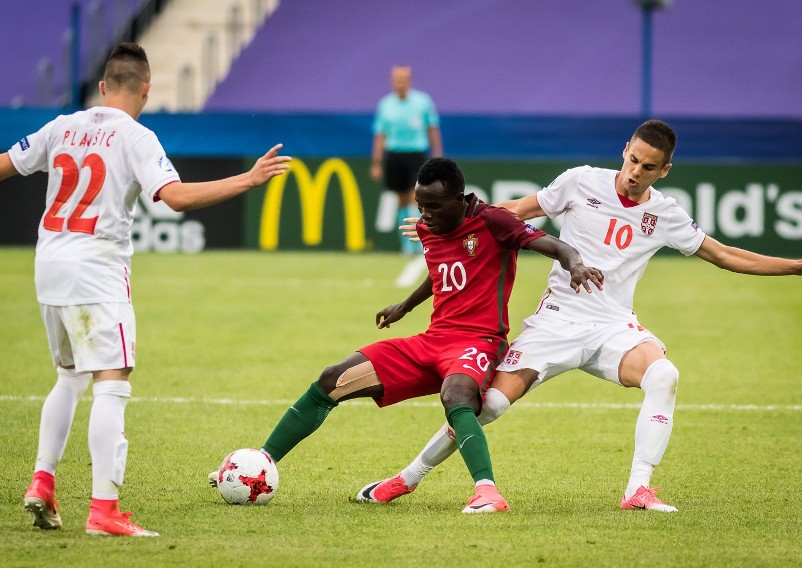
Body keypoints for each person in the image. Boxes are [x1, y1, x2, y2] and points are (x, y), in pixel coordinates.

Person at [357, 119, 802, 512]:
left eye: (648, 167)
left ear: (664, 170)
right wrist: (444, 221)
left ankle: (638, 489)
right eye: (632, 158)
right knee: (488, 408)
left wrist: (796, 268)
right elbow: (514, 211)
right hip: (555, 322)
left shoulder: (667, 214)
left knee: (664, 374)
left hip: (613, 326)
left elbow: (722, 254)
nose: (635, 172)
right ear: (625, 149)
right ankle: (406, 479)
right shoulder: (580, 181)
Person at [0, 42, 290, 537]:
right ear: (147, 89)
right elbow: (174, 198)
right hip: (96, 271)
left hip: (48, 266)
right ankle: (104, 510)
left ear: (102, 86)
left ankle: (43, 482)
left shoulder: (60, 126)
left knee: (68, 376)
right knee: (111, 383)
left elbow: (5, 164)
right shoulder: (136, 136)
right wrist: (248, 179)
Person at [210, 157, 603, 513]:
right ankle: (259, 463)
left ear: (459, 199)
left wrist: (576, 265)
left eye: (433, 206)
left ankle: (487, 492)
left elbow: (555, 245)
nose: (424, 216)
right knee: (333, 379)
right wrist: (406, 306)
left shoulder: (493, 221)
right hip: (432, 340)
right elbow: (443, 274)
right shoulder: (428, 227)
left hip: (478, 341)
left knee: (457, 396)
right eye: (420, 206)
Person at [370, 65, 442, 255]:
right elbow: (380, 135)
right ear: (393, 81)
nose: (400, 82)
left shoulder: (423, 101)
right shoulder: (386, 105)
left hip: (416, 154)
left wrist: (437, 156)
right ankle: (406, 244)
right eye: (397, 78)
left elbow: (432, 129)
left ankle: (418, 242)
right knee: (401, 199)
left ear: (410, 80)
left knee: (414, 196)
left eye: (404, 78)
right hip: (395, 155)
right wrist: (376, 163)